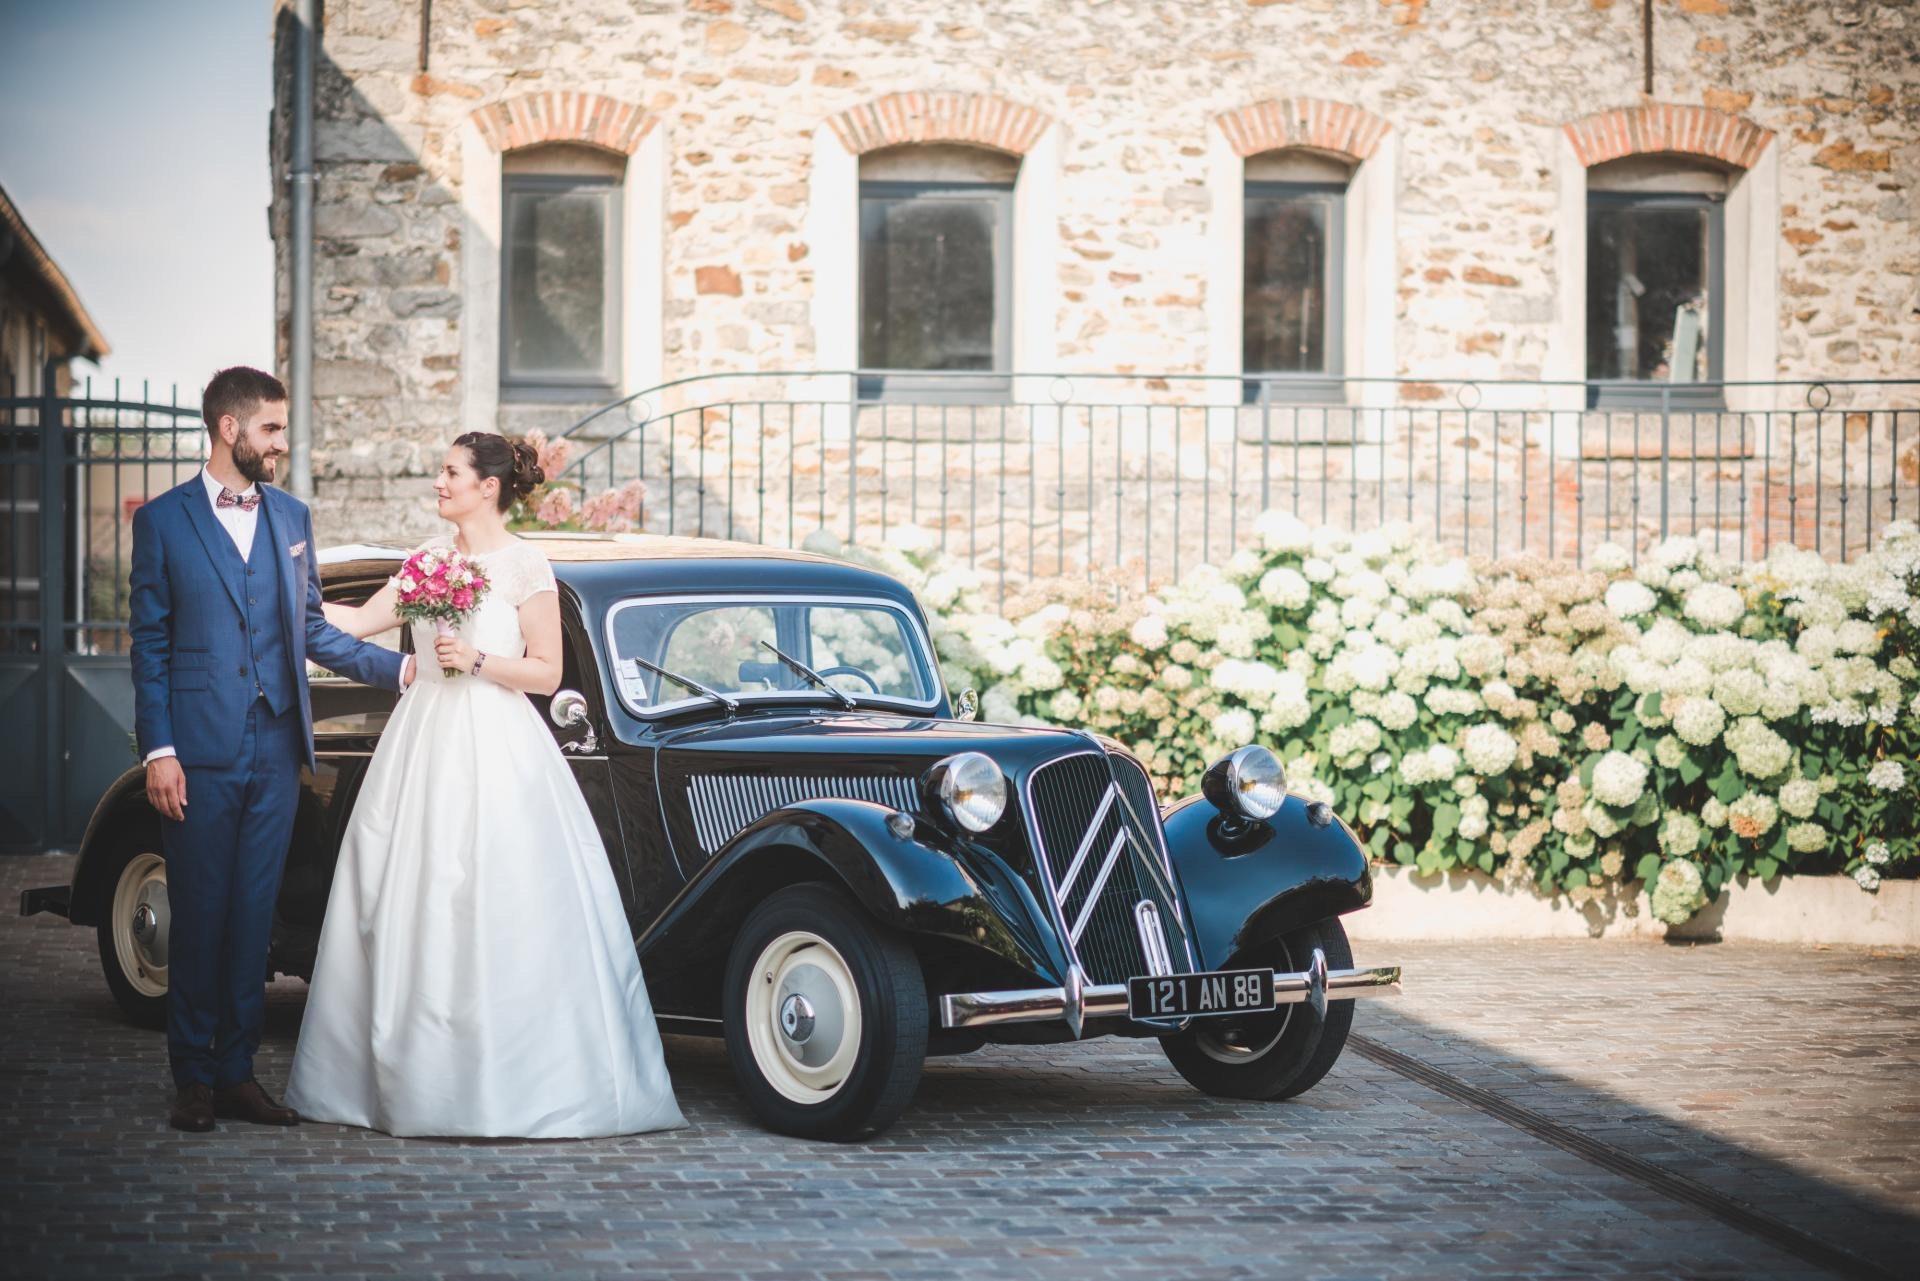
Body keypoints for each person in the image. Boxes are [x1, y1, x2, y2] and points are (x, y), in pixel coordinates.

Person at [283, 431, 684, 1138]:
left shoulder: (527, 566)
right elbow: (358, 619)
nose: (438, 482)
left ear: (487, 486)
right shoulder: (428, 561)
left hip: (497, 742)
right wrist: (285, 597)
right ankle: (409, 1074)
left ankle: (509, 1079)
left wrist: (477, 657)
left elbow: (546, 671)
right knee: (404, 890)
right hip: (422, 741)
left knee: (501, 896)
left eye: (449, 472)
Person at [130, 365, 416, 1133]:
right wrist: (159, 749)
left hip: (277, 749)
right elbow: (149, 644)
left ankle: (237, 1073)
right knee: (200, 912)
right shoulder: (162, 522)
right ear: (230, 429)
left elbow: (313, 627)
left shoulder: (292, 517)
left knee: (254, 916)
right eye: (271, 429)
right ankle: (192, 1075)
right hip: (195, 751)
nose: (282, 444)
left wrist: (405, 668)